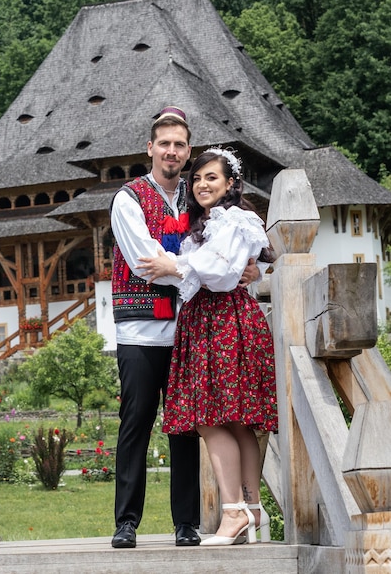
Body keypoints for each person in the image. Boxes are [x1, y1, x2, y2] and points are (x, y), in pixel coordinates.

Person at [110, 108, 261, 549]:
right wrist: (214, 272)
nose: (171, 151)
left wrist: (241, 271)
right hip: (140, 327)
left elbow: (227, 250)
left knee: (185, 425)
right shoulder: (130, 198)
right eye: (164, 144)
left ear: (188, 151)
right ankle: (127, 522)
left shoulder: (200, 201)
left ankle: (187, 523)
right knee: (136, 420)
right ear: (151, 148)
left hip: (189, 329)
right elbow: (146, 260)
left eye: (179, 145)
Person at [136, 147, 278, 546]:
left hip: (222, 320)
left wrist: (174, 266)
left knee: (210, 417)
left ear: (231, 183)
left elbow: (222, 271)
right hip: (212, 319)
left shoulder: (234, 218)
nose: (201, 185)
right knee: (234, 419)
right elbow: (247, 264)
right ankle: (250, 511)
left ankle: (234, 511)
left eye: (211, 178)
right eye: (196, 179)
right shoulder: (213, 222)